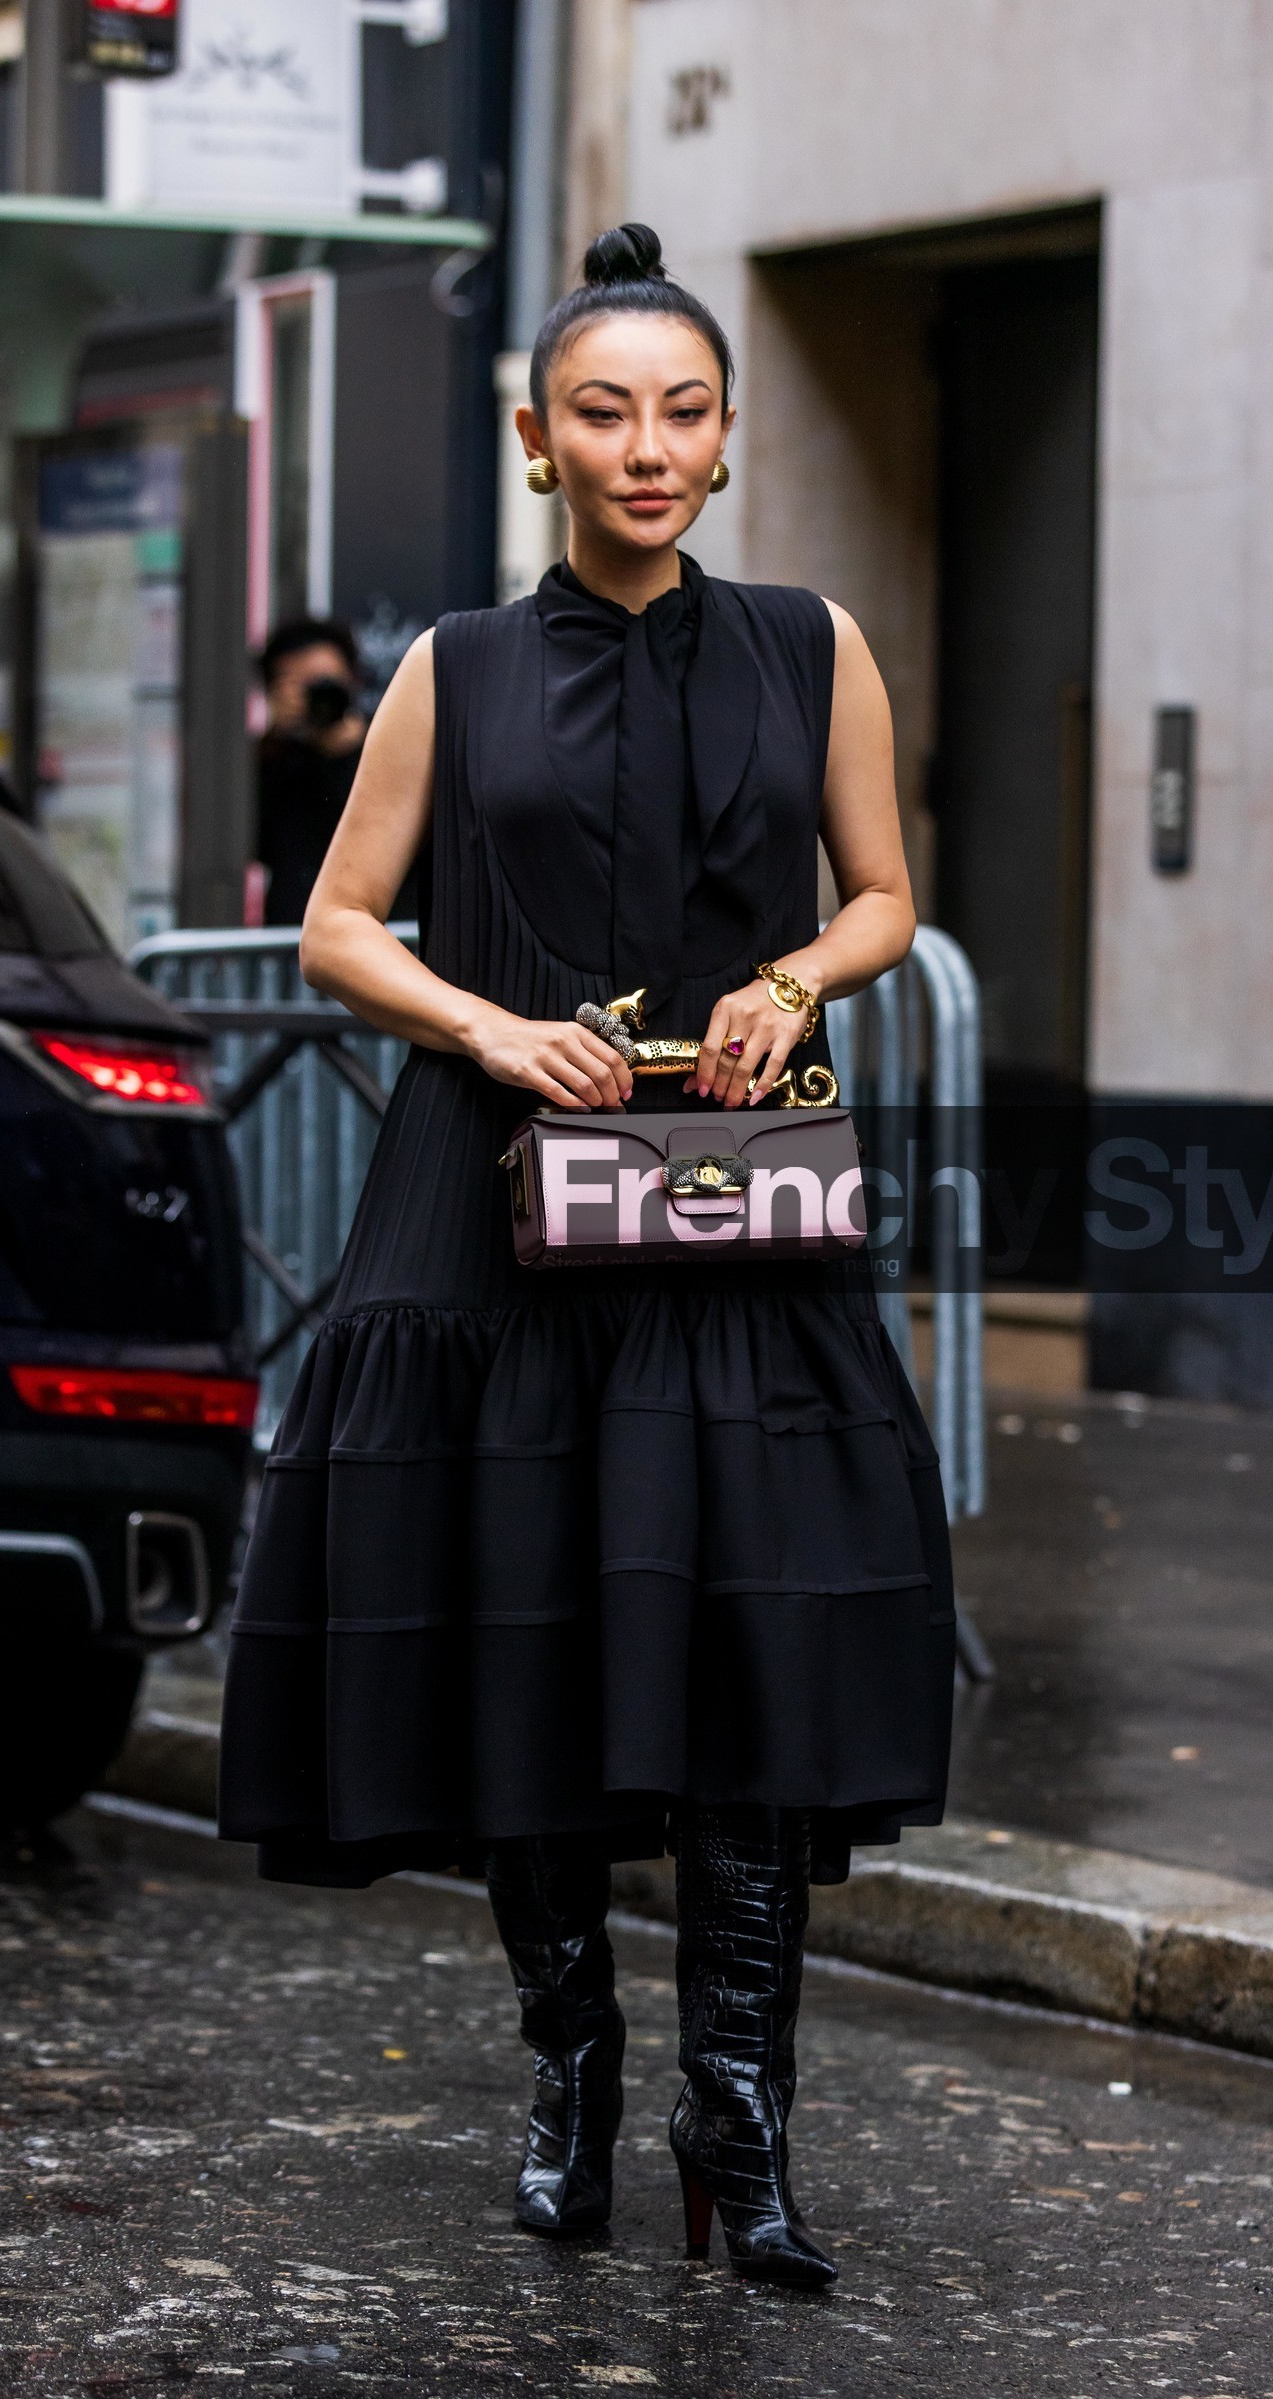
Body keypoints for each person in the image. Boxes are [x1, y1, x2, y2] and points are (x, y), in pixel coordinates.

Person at [218, 224, 955, 2292]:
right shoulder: (450, 661)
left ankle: (744, 2121)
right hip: (485, 1206)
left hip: (727, 1202)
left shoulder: (813, 641)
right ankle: (572, 2068)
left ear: (722, 444)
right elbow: (337, 923)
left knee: (747, 1659)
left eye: (686, 412)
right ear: (534, 435)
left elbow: (886, 889)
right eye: (606, 412)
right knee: (522, 1632)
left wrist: (798, 975)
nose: (648, 446)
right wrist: (482, 1021)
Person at [253, 617, 371, 926]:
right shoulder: (274, 762)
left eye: (323, 683)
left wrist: (345, 750)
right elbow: (246, 843)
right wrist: (275, 739)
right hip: (293, 938)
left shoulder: (385, 750)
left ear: (351, 680)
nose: (316, 699)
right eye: (300, 688)